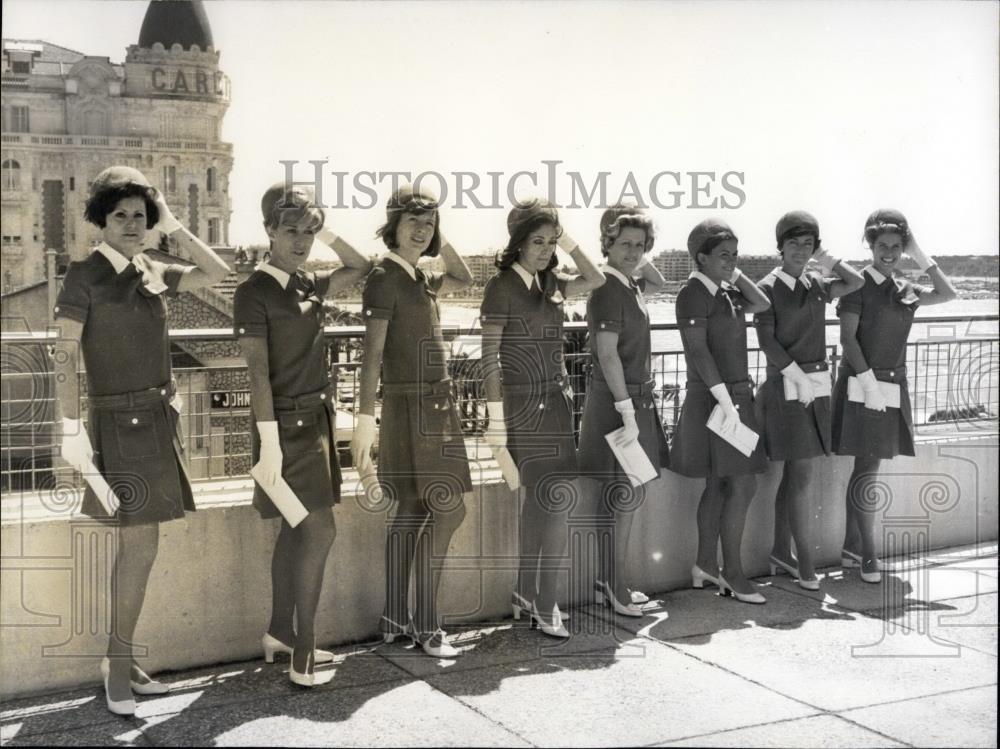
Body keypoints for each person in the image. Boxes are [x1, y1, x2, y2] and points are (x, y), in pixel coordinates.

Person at [52, 166, 230, 715]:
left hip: (156, 419)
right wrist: (69, 429)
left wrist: (174, 224)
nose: (132, 224)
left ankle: (121, 661)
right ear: (100, 221)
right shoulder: (83, 275)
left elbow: (221, 273)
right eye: (120, 215)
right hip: (118, 423)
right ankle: (117, 668)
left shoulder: (152, 267)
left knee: (143, 549)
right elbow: (63, 354)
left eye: (140, 215)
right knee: (138, 548)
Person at [233, 182, 371, 687]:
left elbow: (361, 267)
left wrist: (324, 226)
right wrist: (267, 446)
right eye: (290, 230)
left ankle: (280, 632)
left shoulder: (306, 285)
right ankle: (305, 652)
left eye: (308, 232)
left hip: (314, 422)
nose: (301, 241)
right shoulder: (254, 292)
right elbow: (256, 374)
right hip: (283, 430)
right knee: (320, 530)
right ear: (268, 230)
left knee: (298, 531)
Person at [351, 185, 474, 658]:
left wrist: (439, 242)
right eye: (413, 222)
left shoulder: (418, 277)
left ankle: (393, 619)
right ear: (392, 226)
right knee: (450, 509)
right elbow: (372, 355)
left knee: (412, 512)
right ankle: (428, 625)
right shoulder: (386, 277)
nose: (422, 230)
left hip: (426, 407)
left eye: (430, 223)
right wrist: (365, 419)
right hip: (417, 408)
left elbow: (461, 274)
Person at [480, 198, 605, 637]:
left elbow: (596, 277)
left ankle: (524, 593)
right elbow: (489, 358)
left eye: (551, 242)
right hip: (522, 406)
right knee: (555, 502)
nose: (546, 249)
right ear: (516, 242)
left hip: (555, 401)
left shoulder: (549, 279)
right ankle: (545, 603)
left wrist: (565, 237)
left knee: (540, 502)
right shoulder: (501, 287)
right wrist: (495, 422)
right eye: (537, 241)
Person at [832, 209, 956, 582]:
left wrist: (919, 253)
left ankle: (852, 549)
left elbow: (948, 293)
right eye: (882, 246)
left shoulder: (903, 288)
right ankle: (867, 553)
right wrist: (869, 384)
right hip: (864, 385)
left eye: (897, 247)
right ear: (870, 246)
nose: (889, 253)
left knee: (867, 468)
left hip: (892, 386)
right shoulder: (857, 286)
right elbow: (847, 339)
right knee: (867, 470)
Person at [754, 211, 864, 590]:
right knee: (801, 475)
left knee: (795, 474)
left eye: (808, 244)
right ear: (780, 246)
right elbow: (767, 341)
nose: (801, 251)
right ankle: (804, 563)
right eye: (793, 243)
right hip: (787, 387)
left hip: (815, 388)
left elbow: (856, 280)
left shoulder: (817, 283)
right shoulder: (766, 287)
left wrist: (825, 257)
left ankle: (781, 551)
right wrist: (796, 376)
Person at [669, 218, 771, 604]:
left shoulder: (724, 292)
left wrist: (732, 270)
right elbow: (698, 351)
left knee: (720, 483)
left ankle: (705, 565)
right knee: (743, 483)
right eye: (723, 255)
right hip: (716, 401)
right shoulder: (692, 293)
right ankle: (732, 573)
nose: (731, 261)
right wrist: (727, 403)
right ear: (700, 258)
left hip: (731, 399)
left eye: (735, 254)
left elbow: (762, 303)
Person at [577, 205, 669, 616]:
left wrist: (633, 253)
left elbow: (661, 279)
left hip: (629, 400)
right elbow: (607, 354)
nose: (634, 252)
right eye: (624, 244)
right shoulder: (610, 288)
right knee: (626, 493)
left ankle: (607, 582)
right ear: (607, 244)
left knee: (621, 493)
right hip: (620, 402)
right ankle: (615, 586)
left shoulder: (626, 283)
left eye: (640, 244)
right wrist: (627, 410)